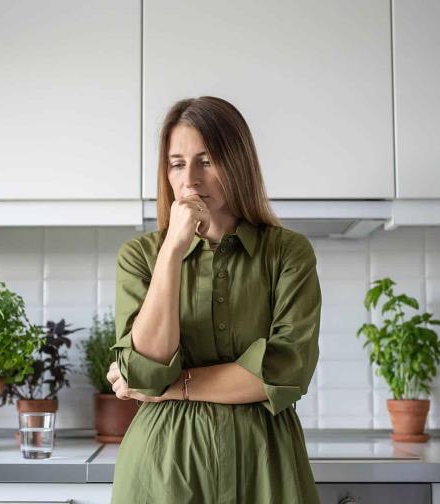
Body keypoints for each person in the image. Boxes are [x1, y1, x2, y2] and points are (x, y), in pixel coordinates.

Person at [105, 96, 323, 504]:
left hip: (266, 466)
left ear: (238, 164)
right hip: (163, 469)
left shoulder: (287, 253)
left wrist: (171, 388)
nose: (191, 178)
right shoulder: (140, 257)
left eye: (206, 161)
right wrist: (172, 249)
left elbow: (285, 371)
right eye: (176, 163)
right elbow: (146, 370)